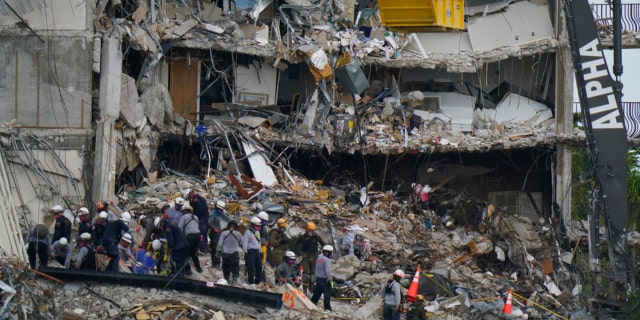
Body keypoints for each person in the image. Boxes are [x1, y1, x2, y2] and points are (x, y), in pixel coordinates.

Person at [178, 203, 202, 274]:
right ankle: (198, 268)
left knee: (184, 254)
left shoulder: (184, 217)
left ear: (184, 211)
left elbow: (180, 228)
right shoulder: (196, 217)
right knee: (194, 253)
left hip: (190, 237)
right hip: (198, 236)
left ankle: (188, 271)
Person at [216, 220, 243, 284]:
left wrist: (218, 251)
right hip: (234, 253)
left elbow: (220, 244)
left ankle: (226, 280)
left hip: (225, 254)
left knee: (225, 267)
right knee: (235, 267)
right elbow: (242, 243)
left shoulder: (224, 233)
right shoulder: (238, 234)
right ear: (235, 227)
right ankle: (234, 280)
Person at [185, 188, 210, 253]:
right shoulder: (200, 198)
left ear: (191, 194)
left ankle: (202, 250)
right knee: (204, 235)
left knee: (201, 235)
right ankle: (204, 249)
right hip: (205, 220)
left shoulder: (196, 200)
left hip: (202, 221)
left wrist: (194, 217)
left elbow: (199, 211)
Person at [310, 245, 334, 312]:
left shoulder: (319, 258)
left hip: (318, 279)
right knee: (327, 295)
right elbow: (328, 271)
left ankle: (312, 304)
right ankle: (327, 308)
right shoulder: (327, 260)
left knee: (317, 293)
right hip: (325, 280)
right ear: (328, 252)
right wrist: (330, 280)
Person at [243, 216, 263, 285]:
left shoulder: (257, 232)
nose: (258, 227)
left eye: (258, 225)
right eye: (256, 225)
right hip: (250, 251)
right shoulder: (248, 232)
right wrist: (245, 253)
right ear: (252, 225)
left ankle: (257, 281)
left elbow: (259, 242)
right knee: (251, 267)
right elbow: (245, 243)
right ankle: (251, 281)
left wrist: (260, 251)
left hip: (257, 251)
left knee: (259, 266)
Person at [208, 200, 225, 268]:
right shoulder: (213, 214)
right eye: (220, 209)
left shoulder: (218, 215)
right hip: (215, 234)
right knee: (215, 249)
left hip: (218, 234)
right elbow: (209, 222)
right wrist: (215, 229)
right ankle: (216, 263)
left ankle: (216, 263)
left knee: (217, 248)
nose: (221, 210)